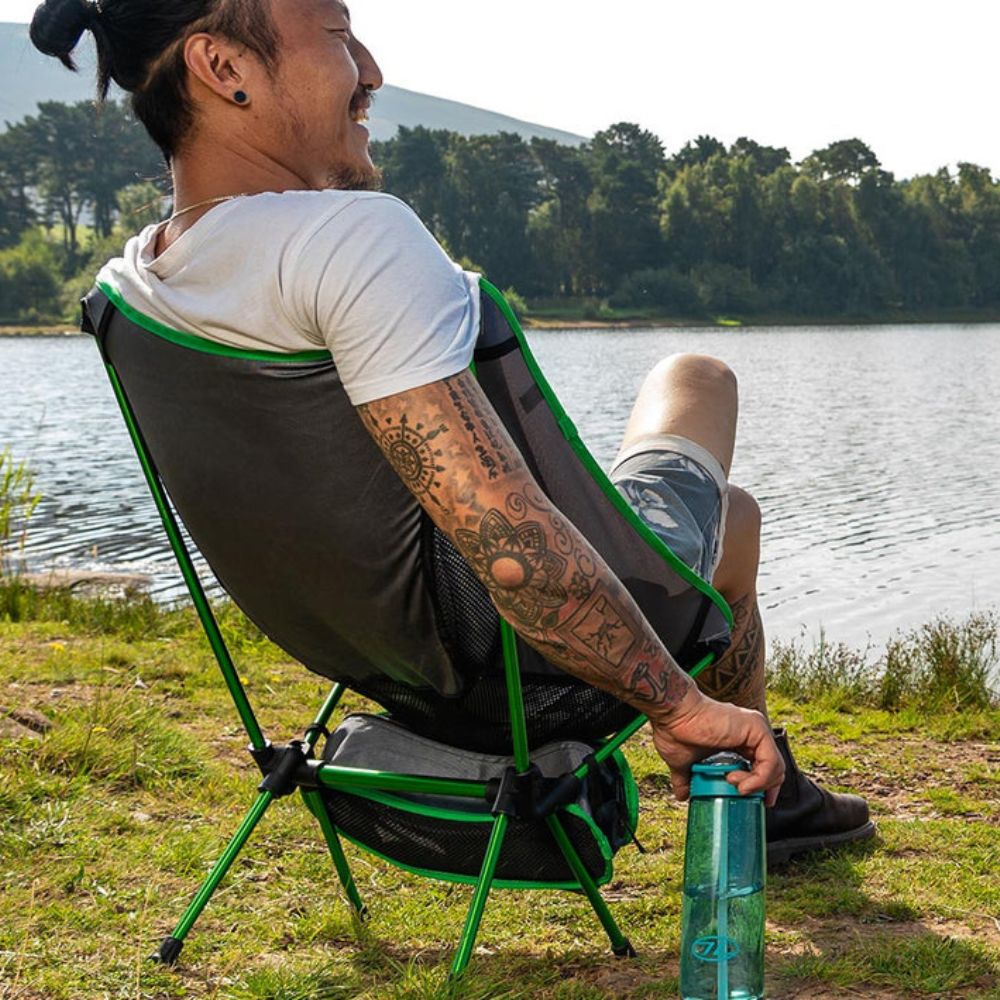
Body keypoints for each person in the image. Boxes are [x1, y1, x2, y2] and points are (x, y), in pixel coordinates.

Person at [30, 0, 873, 862]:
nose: (370, 69)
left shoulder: (130, 286)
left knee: (729, 513)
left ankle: (771, 796)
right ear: (224, 69)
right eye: (335, 36)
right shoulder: (350, 240)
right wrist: (680, 707)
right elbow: (511, 549)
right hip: (524, 673)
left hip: (373, 658)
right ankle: (760, 802)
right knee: (698, 383)